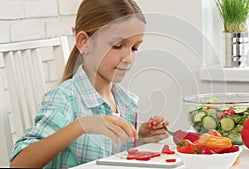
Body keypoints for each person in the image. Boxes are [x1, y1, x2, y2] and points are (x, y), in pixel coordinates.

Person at [9, 0, 169, 168]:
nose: (128, 58)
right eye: (117, 46)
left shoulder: (124, 101)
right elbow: (18, 165)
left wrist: (141, 137)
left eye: (134, 48)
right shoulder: (65, 98)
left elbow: (112, 157)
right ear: (84, 42)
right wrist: (80, 126)